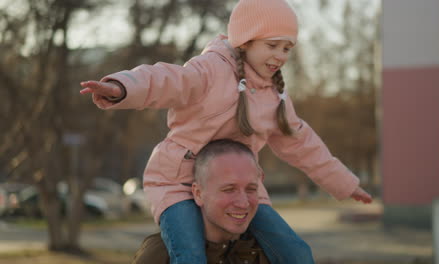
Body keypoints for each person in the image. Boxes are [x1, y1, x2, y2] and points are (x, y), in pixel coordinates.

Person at [79, 0, 372, 263]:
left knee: (296, 252)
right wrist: (121, 87)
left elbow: (302, 142)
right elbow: (168, 80)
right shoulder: (211, 71)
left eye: (286, 48)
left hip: (239, 188)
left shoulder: (274, 96)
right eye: (272, 46)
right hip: (178, 184)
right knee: (190, 255)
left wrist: (345, 183)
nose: (280, 56)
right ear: (245, 42)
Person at [132, 139, 270, 264]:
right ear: (198, 193)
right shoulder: (162, 254)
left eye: (251, 189)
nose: (243, 203)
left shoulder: (271, 251)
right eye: (229, 190)